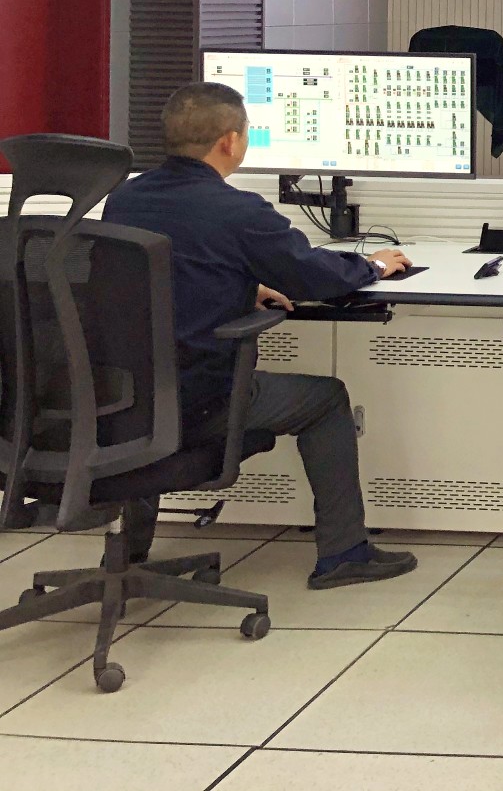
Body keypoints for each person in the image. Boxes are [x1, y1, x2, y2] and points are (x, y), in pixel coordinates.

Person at [103, 82, 419, 589]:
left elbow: (155, 274)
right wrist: (374, 265)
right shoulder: (236, 210)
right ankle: (344, 554)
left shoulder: (125, 199)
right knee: (327, 399)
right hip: (200, 401)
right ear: (230, 141)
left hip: (118, 398)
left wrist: (238, 285)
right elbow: (312, 277)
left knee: (147, 392)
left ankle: (129, 555)